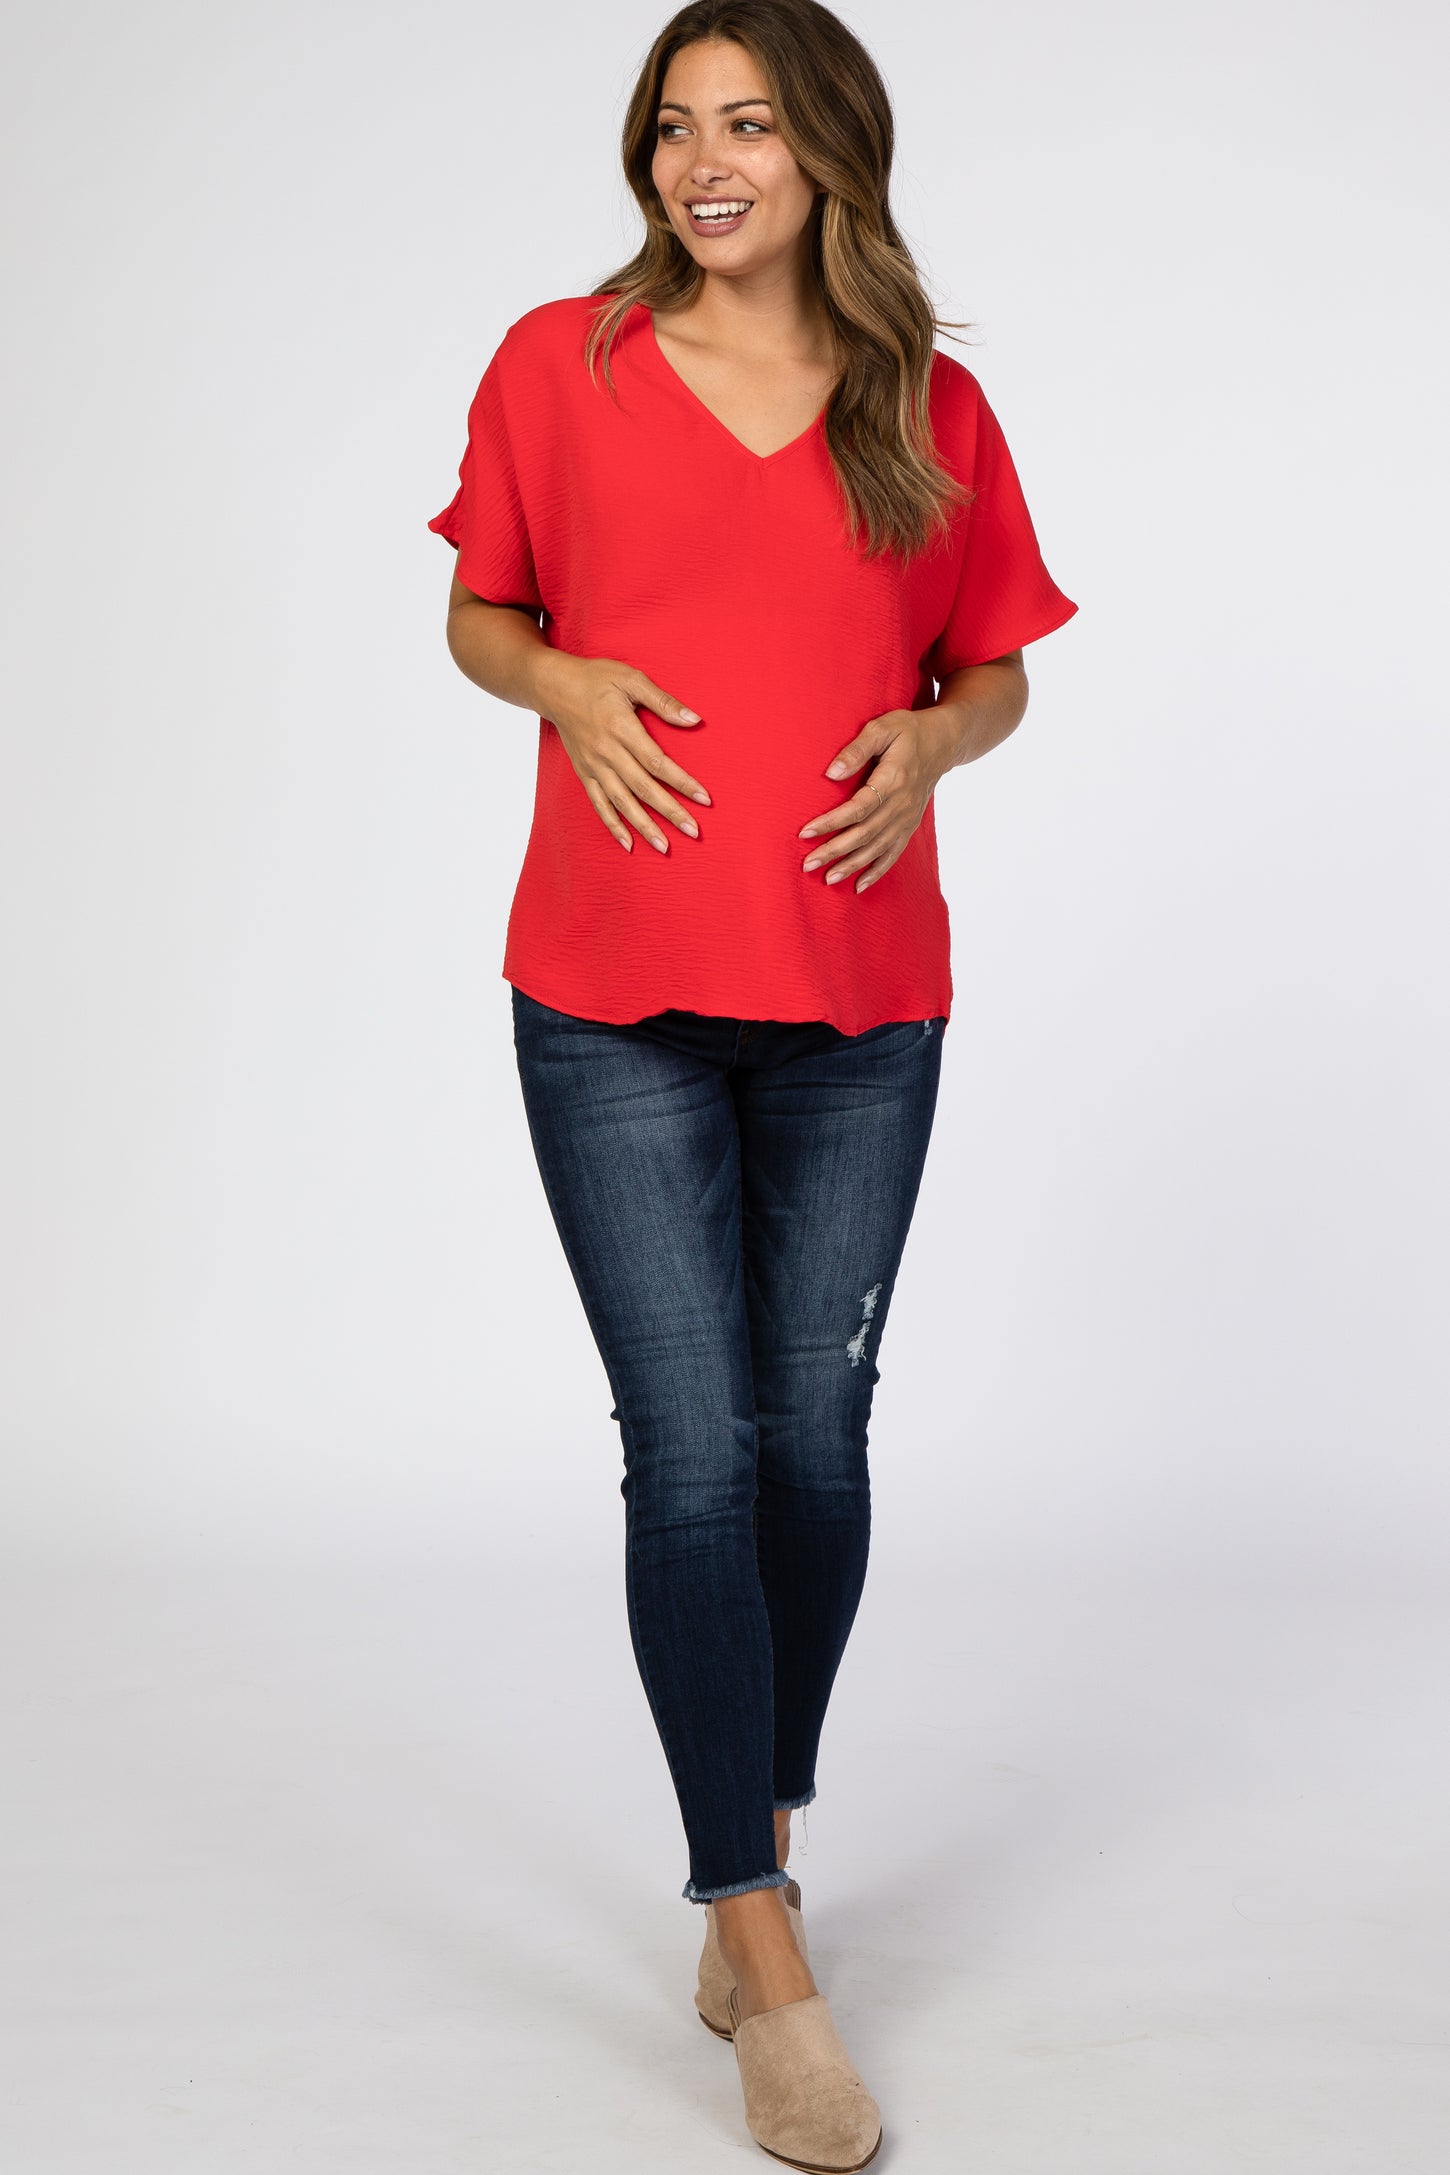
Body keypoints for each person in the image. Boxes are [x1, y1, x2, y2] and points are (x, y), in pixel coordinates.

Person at [426, 2, 1076, 2164]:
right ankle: (764, 1956)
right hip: (607, 991)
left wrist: (933, 741)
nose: (703, 163)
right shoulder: (562, 363)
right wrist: (561, 678)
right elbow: (479, 615)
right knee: (690, 1454)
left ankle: (753, 1833)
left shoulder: (926, 402)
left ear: (830, 157)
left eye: (751, 126)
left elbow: (991, 667)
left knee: (814, 1443)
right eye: (674, 127)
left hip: (861, 999)